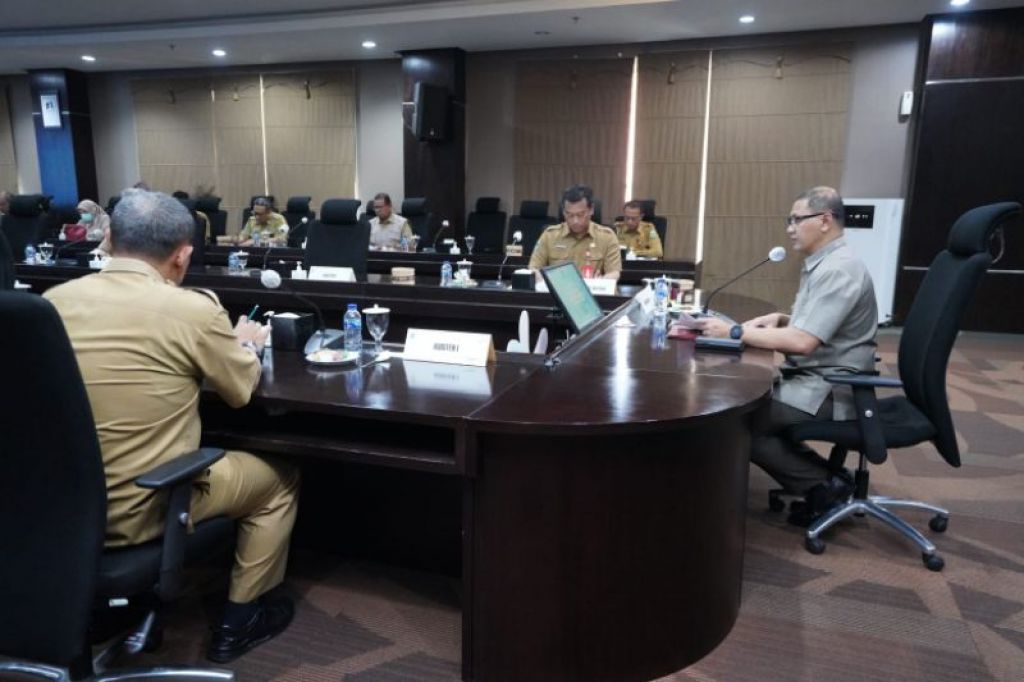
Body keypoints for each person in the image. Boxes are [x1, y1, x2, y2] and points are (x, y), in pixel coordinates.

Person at [43, 189, 300, 663]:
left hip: (54, 508)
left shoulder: (51, 303)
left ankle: (112, 609)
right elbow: (240, 392)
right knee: (280, 480)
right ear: (182, 256)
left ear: (109, 239)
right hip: (139, 508)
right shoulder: (193, 309)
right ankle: (240, 621)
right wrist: (247, 344)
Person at [695, 186, 877, 526]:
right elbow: (822, 325)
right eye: (788, 220)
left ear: (825, 221)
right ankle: (827, 478)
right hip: (818, 377)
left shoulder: (838, 269)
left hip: (830, 389)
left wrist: (734, 332)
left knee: (735, 422)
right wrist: (782, 319)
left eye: (796, 220)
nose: (790, 228)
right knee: (748, 414)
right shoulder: (826, 263)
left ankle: (824, 486)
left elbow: (804, 342)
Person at [528, 185, 621, 280]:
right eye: (569, 215)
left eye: (580, 214)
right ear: (563, 212)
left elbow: (614, 272)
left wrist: (600, 283)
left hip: (593, 289)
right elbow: (534, 268)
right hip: (558, 288)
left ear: (591, 210)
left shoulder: (607, 237)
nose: (575, 221)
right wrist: (546, 283)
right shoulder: (549, 235)